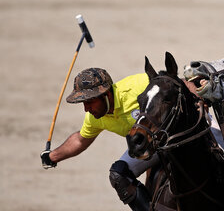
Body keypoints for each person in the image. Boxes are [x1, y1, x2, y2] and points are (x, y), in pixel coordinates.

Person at [40, 67, 157, 210]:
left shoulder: (137, 85)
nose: (86, 108)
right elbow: (80, 140)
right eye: (83, 103)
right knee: (118, 175)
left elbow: (170, 83)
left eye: (89, 101)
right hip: (151, 148)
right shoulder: (94, 118)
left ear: (106, 95)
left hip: (177, 137)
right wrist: (52, 156)